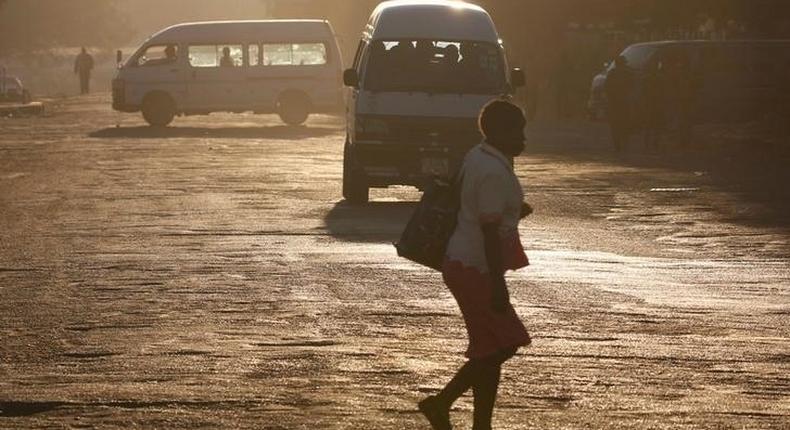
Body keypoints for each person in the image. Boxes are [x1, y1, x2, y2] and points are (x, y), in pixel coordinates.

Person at [419, 100, 532, 430]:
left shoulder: (479, 156)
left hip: (464, 261)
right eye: (517, 132)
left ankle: (481, 423)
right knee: (506, 344)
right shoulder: (493, 171)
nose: (523, 139)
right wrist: (498, 285)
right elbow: (489, 231)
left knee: (490, 345)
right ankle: (441, 402)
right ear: (498, 132)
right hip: (476, 267)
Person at [604, 55, 634, 151]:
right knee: (625, 122)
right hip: (624, 101)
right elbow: (632, 86)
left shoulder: (612, 73)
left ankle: (618, 144)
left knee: (615, 123)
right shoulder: (628, 73)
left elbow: (606, 88)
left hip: (614, 102)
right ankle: (624, 142)